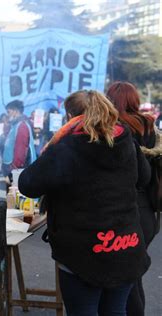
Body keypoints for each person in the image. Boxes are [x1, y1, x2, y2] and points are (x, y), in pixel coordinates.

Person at [18, 90, 151, 315]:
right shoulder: (125, 138)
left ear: (71, 115)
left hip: (82, 255)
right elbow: (144, 178)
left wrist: (53, 144)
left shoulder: (67, 146)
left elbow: (27, 184)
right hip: (125, 246)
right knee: (115, 311)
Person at [106, 81, 158, 316]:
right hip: (149, 210)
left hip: (127, 211)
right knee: (133, 276)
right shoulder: (149, 126)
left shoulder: (115, 129)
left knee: (127, 279)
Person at [2, 100, 36, 178]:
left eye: (8, 112)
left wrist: (14, 169)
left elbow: (21, 150)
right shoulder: (15, 125)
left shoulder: (22, 126)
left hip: (18, 170)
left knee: (16, 190)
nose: (7, 115)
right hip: (15, 169)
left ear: (15, 111)